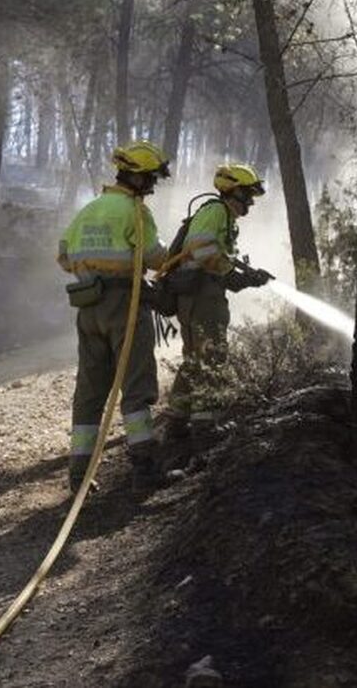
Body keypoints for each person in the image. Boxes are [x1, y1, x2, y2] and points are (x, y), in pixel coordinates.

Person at [57, 141, 170, 491]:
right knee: (136, 385)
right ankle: (145, 470)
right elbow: (154, 258)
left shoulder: (88, 210)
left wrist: (94, 269)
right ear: (136, 178)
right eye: (150, 179)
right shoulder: (135, 211)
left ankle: (79, 475)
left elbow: (63, 256)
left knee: (90, 390)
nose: (151, 187)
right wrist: (173, 258)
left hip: (88, 307)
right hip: (125, 304)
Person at [160, 163, 271, 457]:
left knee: (195, 359)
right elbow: (202, 250)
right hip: (202, 295)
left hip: (198, 294)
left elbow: (213, 259)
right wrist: (232, 273)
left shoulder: (220, 216)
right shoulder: (216, 211)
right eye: (247, 196)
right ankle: (204, 428)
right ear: (233, 191)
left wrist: (245, 278)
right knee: (211, 356)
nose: (249, 203)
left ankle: (178, 422)